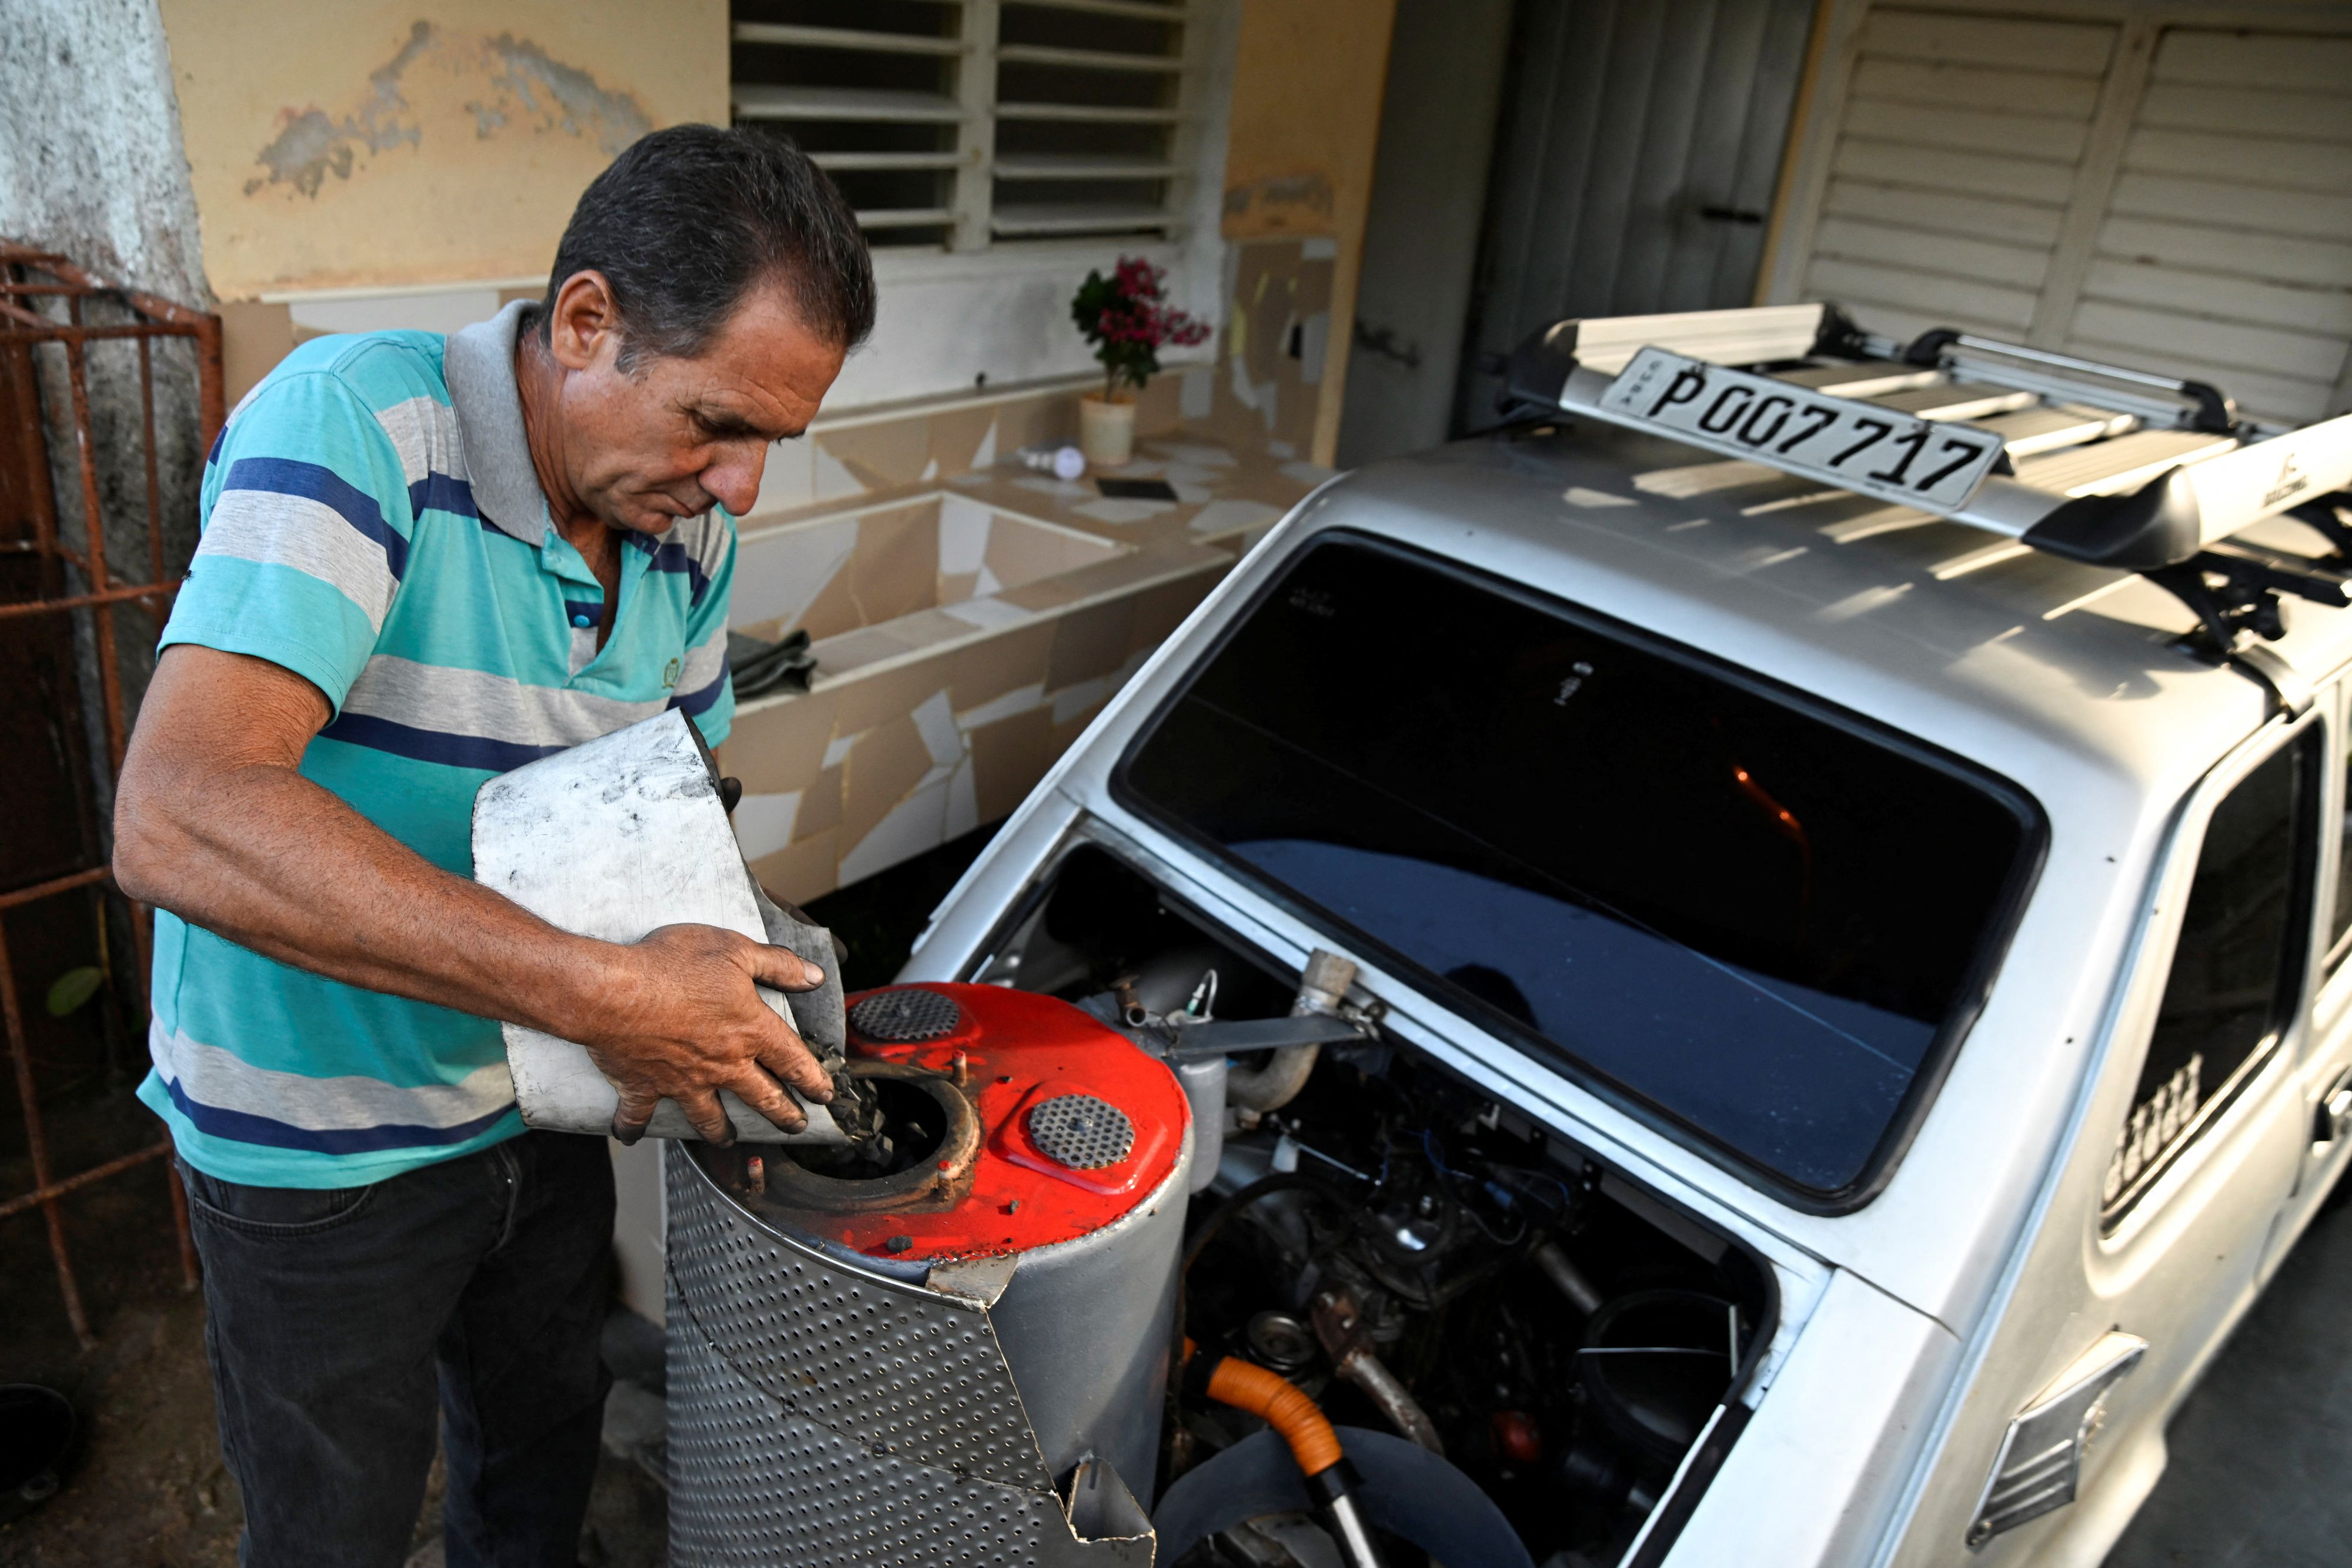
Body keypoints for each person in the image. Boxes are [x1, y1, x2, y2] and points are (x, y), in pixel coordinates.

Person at [110, 125, 876, 1567]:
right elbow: (180, 809)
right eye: (719, 423)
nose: (742, 488)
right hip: (315, 1147)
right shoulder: (357, 425)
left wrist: (754, 983)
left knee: (538, 1458)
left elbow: (670, 794)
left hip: (535, 1108)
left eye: (773, 439)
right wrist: (604, 993)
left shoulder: (683, 528)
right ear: (588, 323)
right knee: (334, 1516)